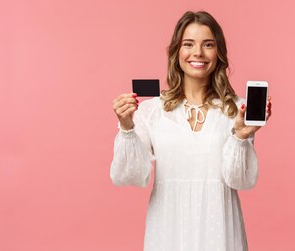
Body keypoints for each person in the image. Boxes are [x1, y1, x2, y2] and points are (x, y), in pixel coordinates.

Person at [110, 11, 272, 251]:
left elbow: (241, 180)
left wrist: (241, 136)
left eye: (208, 44)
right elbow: (131, 175)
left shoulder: (237, 109)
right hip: (168, 228)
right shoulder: (152, 110)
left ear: (219, 53)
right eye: (188, 44)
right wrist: (126, 127)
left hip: (220, 229)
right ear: (177, 52)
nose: (198, 53)